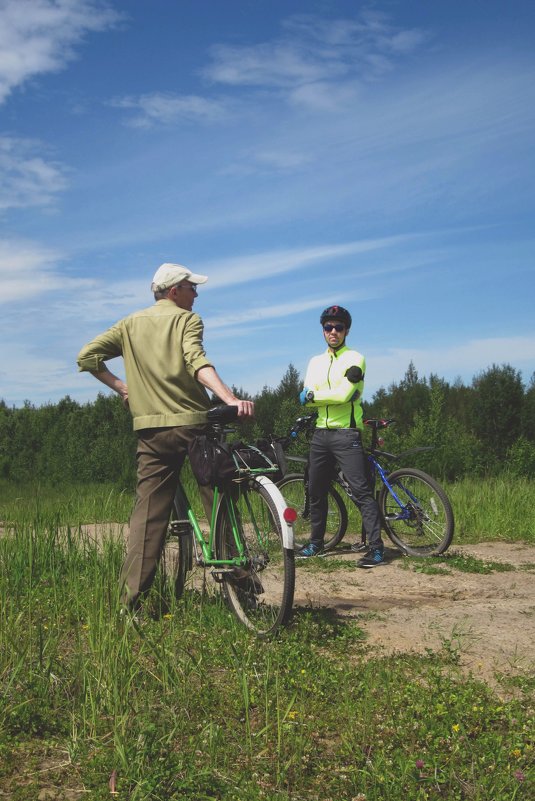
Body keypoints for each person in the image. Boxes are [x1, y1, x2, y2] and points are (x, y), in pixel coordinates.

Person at [77, 262, 254, 611]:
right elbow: (196, 361)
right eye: (191, 287)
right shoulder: (187, 320)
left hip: (151, 431)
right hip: (193, 425)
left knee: (147, 516)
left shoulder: (129, 324)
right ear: (174, 291)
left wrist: (122, 388)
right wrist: (229, 398)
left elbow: (87, 357)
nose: (196, 293)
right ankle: (241, 584)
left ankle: (130, 603)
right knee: (219, 496)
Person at [297, 305, 385, 568]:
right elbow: (305, 399)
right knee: (316, 490)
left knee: (360, 491)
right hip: (320, 433)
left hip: (346, 434)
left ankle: (377, 549)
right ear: (323, 330)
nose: (333, 331)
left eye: (338, 327)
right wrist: (310, 398)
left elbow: (344, 395)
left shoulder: (356, 358)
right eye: (328, 327)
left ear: (347, 330)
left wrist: (313, 397)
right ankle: (316, 543)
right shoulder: (315, 362)